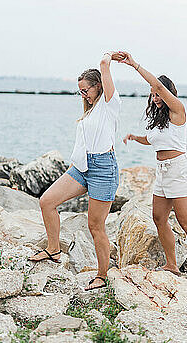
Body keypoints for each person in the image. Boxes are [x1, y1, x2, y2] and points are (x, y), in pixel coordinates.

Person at [117, 51, 187, 284]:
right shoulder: (160, 120)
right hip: (162, 171)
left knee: (186, 221)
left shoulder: (177, 111)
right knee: (159, 217)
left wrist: (134, 65)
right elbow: (153, 140)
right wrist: (134, 137)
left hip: (178, 169)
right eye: (152, 95)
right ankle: (172, 265)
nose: (155, 97)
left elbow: (158, 86)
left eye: (158, 92)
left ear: (167, 92)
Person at [29, 52, 123, 291]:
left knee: (96, 226)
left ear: (98, 87)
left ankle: (102, 275)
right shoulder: (89, 111)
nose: (83, 95)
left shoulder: (109, 104)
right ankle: (53, 250)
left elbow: (104, 65)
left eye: (86, 90)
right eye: (80, 91)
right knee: (47, 201)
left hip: (103, 169)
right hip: (81, 168)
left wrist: (109, 57)